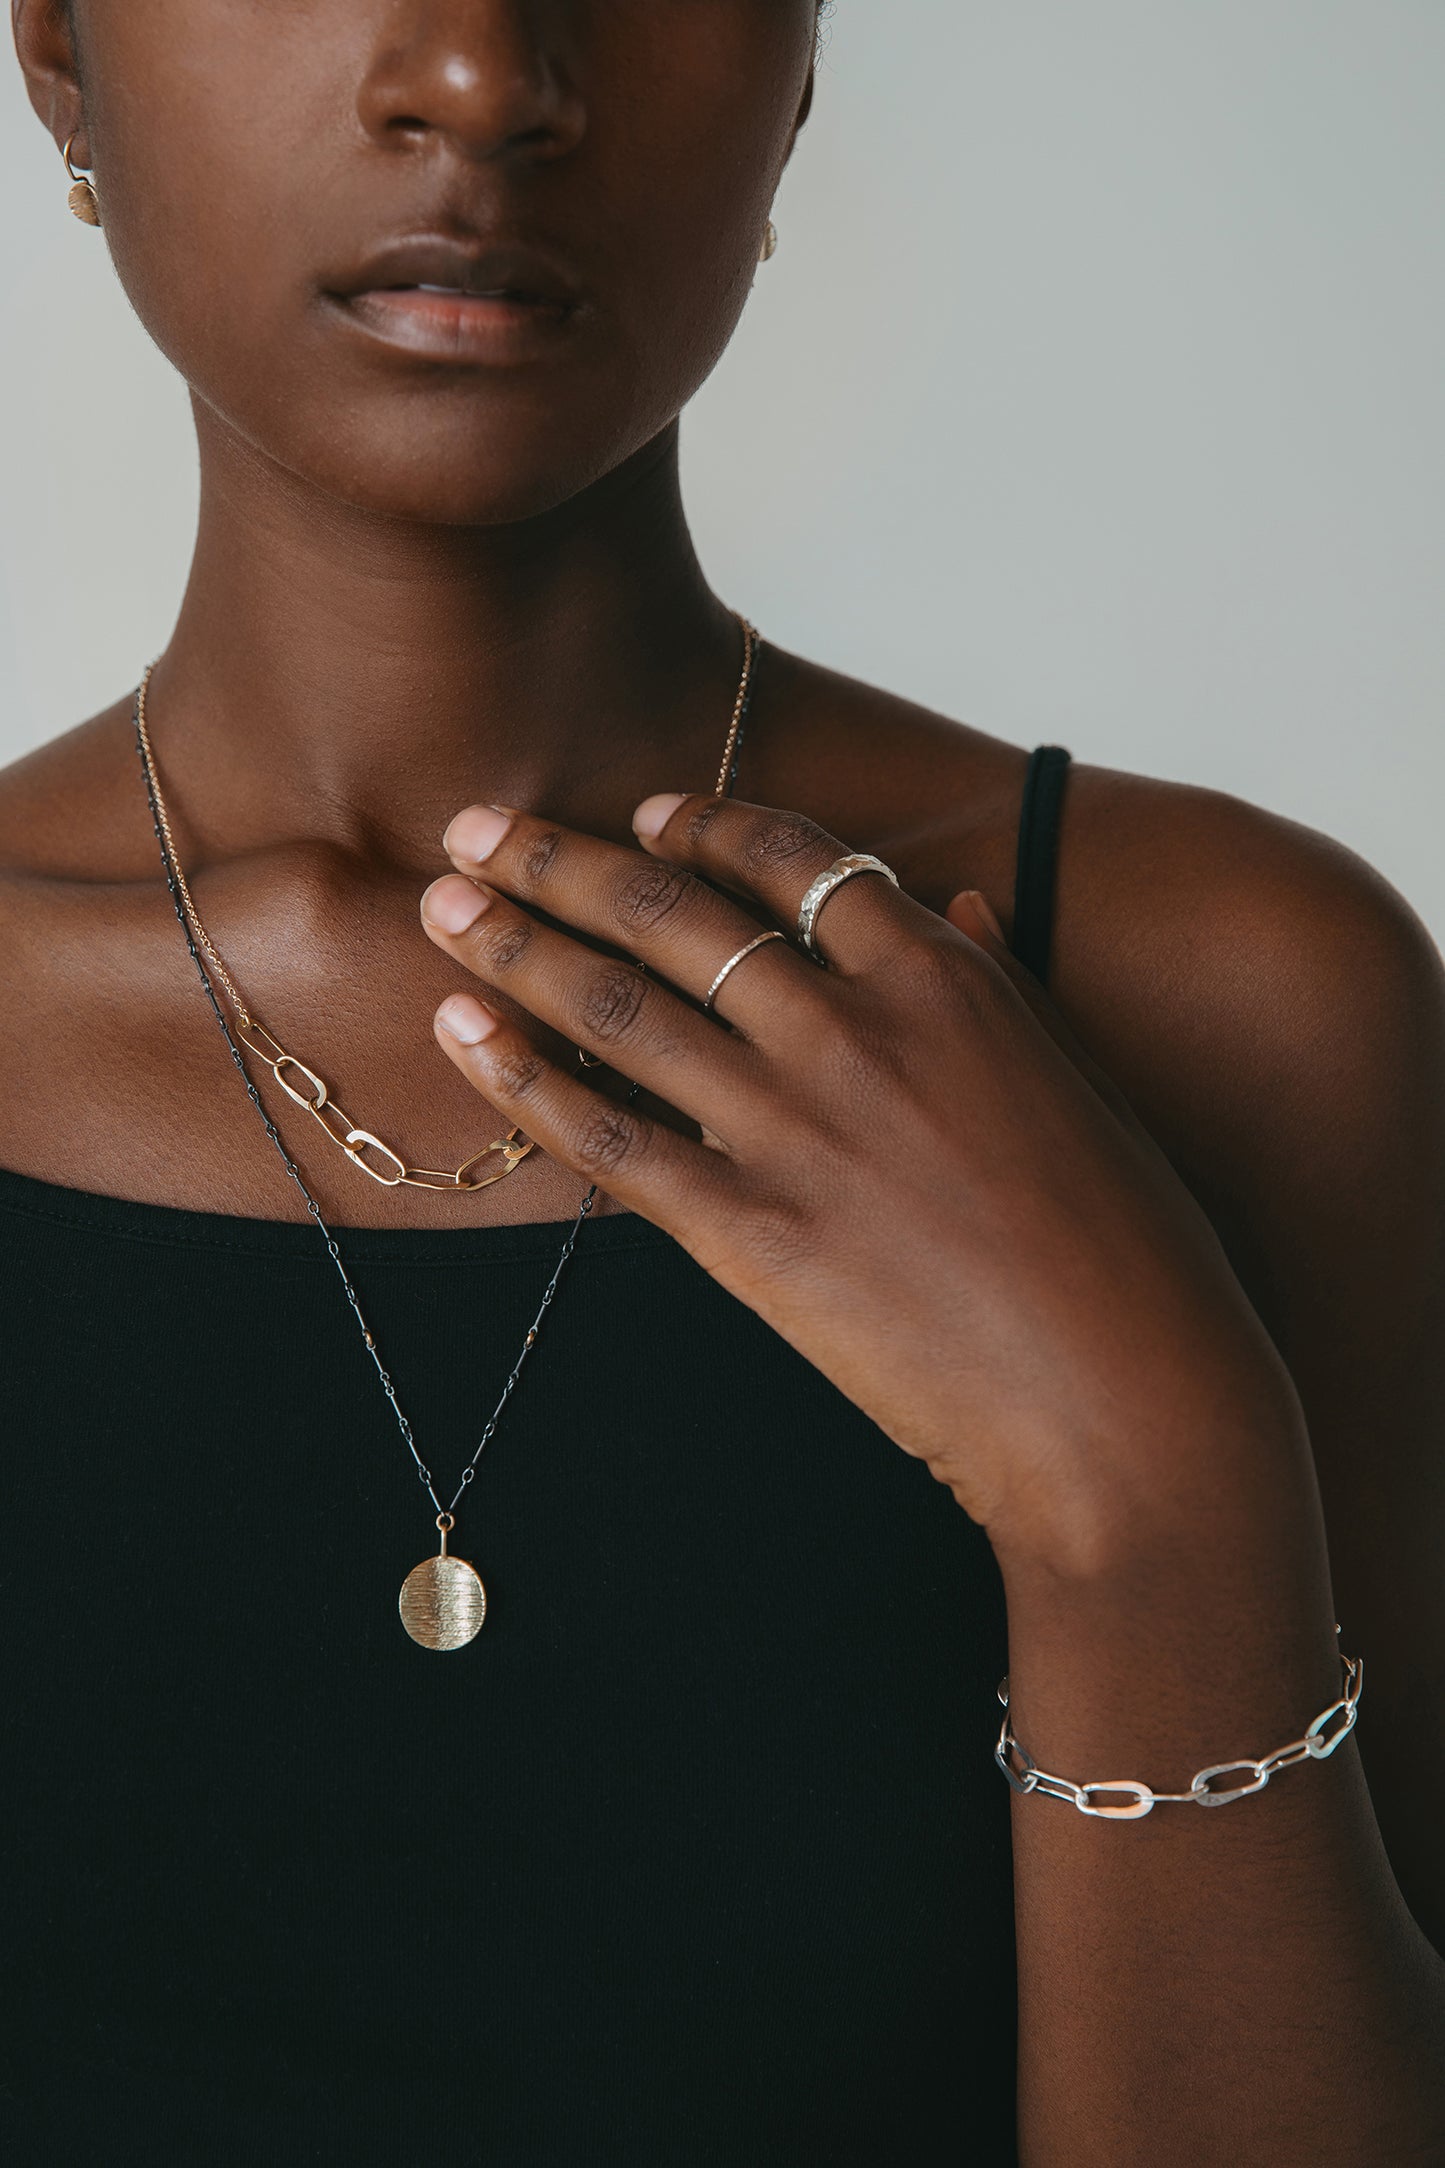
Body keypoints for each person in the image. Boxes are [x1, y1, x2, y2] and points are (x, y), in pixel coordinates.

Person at [5, 3, 1444, 2160]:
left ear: (795, 73)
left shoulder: (1235, 1002)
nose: (484, 80)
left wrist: (1147, 1498)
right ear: (57, 52)